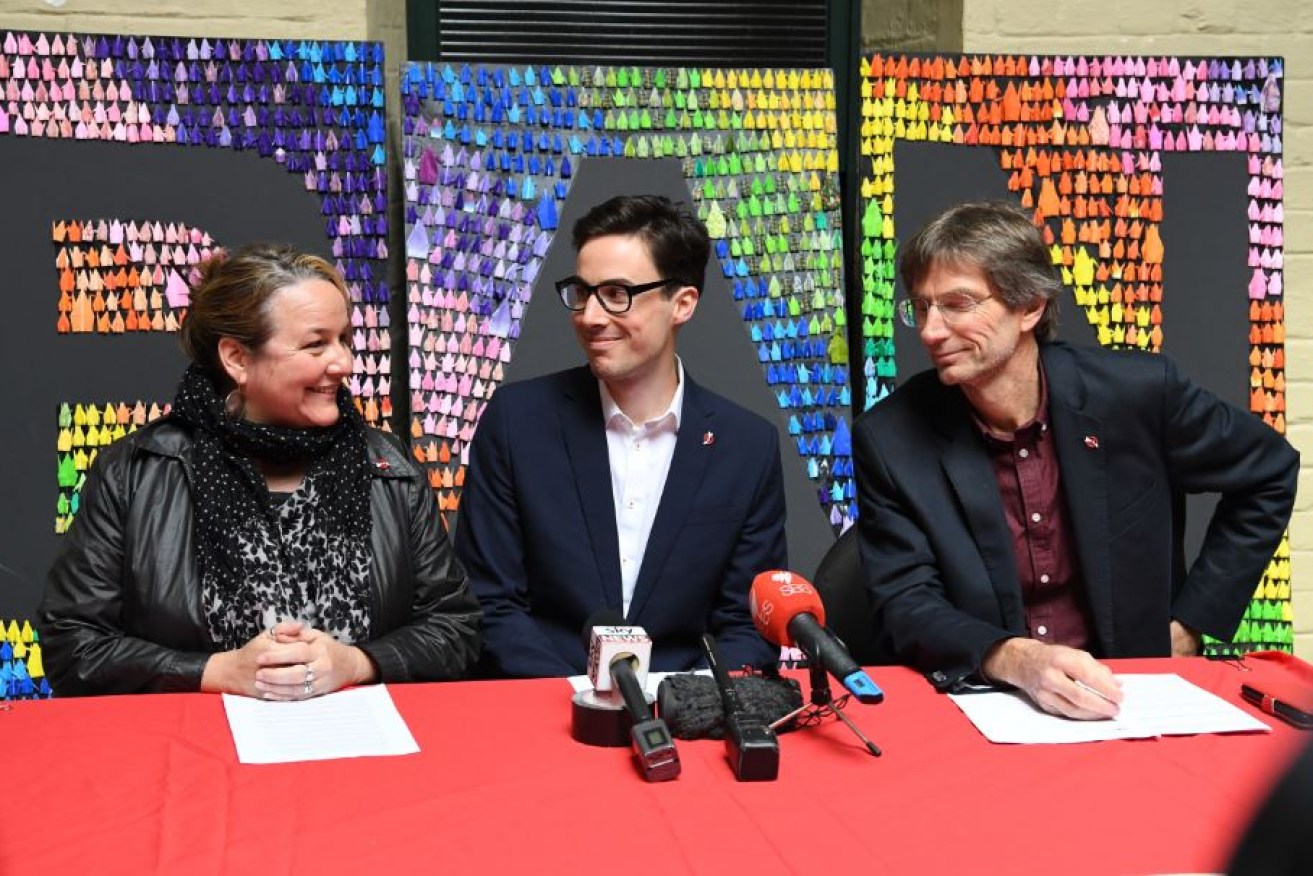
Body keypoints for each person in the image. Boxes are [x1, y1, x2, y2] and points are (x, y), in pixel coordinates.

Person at [852, 201, 1298, 719]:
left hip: (1135, 696)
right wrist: (1013, 657)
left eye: (957, 304)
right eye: (921, 307)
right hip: (985, 704)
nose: (931, 331)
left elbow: (1268, 470)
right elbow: (905, 603)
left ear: (1030, 307)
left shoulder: (1138, 394)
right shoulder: (889, 439)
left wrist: (1194, 621)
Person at [40, 244, 481, 697]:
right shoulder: (137, 473)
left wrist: (358, 662)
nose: (345, 363)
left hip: (356, 750)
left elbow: (456, 628)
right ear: (236, 358)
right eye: (316, 344)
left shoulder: (388, 467)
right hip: (194, 752)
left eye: (344, 340)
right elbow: (73, 645)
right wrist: (213, 673)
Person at [455, 194, 785, 677]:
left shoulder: (746, 446)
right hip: (542, 709)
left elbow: (744, 625)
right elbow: (489, 604)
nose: (590, 316)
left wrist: (678, 702)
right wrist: (582, 700)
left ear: (683, 303)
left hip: (688, 719)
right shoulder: (516, 421)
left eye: (616, 294)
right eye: (582, 292)